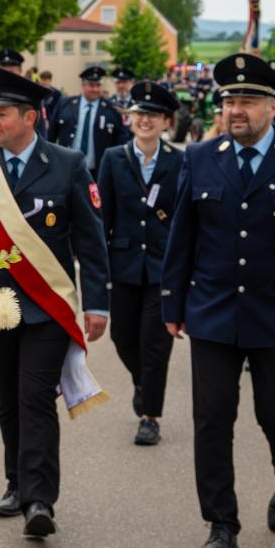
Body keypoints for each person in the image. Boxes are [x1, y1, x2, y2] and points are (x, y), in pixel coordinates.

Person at [162, 53, 275, 548]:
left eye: (246, 101)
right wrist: (173, 302)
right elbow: (182, 236)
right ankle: (222, 523)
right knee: (211, 419)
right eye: (229, 101)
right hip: (213, 308)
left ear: (272, 106)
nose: (235, 110)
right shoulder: (201, 156)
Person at [0, 67, 109, 540]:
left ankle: (39, 499)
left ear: (30, 118)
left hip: (46, 304)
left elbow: (90, 240)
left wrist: (98, 303)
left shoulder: (68, 164)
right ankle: (15, 483)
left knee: (35, 397)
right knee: (8, 397)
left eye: (3, 114)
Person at [96, 81, 183, 446]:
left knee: (156, 343)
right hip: (125, 264)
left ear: (166, 121)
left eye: (153, 115)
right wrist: (99, 266)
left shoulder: (178, 161)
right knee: (123, 337)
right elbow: (103, 217)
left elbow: (183, 218)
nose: (145, 121)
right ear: (130, 118)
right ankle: (142, 382)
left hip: (163, 267)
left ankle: (150, 417)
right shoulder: (113, 158)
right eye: (139, 114)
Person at [48, 65, 129, 176]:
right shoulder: (65, 104)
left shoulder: (112, 109)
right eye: (91, 85)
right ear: (83, 85)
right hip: (67, 168)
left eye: (98, 85)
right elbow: (51, 134)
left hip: (98, 171)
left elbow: (121, 138)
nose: (95, 89)